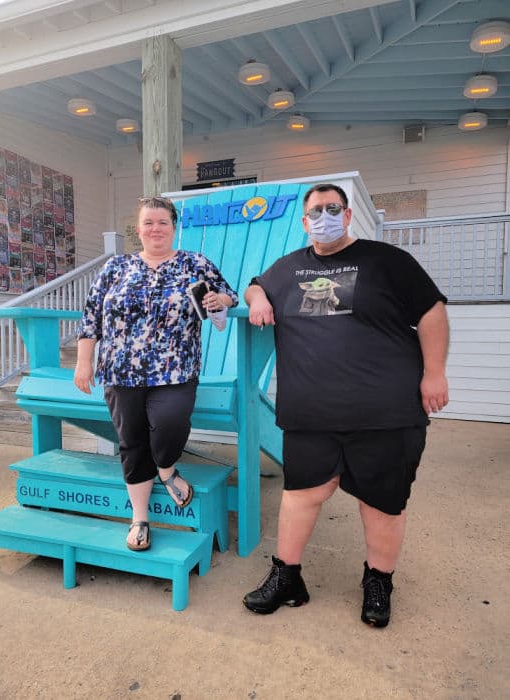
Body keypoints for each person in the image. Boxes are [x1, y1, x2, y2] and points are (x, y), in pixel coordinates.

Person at [243, 183, 449, 627]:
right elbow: (256, 284)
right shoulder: (290, 267)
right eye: (315, 211)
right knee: (300, 495)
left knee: (382, 503)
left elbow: (432, 311)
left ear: (348, 213)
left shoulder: (388, 261)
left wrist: (434, 373)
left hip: (385, 413)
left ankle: (378, 581)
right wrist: (257, 295)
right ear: (303, 221)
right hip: (311, 414)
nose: (324, 216)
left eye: (332, 208)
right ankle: (287, 578)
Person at [74, 195, 238, 551]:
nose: (156, 228)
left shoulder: (195, 264)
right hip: (121, 372)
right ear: (138, 229)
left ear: (174, 227)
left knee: (169, 425)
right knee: (131, 441)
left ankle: (166, 467)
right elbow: (91, 318)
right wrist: (84, 361)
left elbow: (229, 295)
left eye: (163, 222)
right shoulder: (115, 268)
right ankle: (140, 517)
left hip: (175, 370)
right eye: (149, 222)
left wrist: (217, 301)